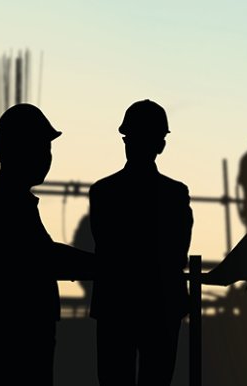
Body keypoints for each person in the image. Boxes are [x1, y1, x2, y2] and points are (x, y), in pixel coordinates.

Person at [0, 103, 93, 385]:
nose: (46, 158)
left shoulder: (5, 203)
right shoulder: (4, 205)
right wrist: (103, 265)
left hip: (10, 332)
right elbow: (44, 258)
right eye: (41, 149)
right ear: (17, 151)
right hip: (16, 335)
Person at [89, 99, 193, 386]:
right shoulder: (175, 195)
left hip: (116, 307)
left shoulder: (103, 193)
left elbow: (105, 249)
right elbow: (178, 253)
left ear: (126, 140)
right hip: (161, 308)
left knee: (115, 379)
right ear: (161, 144)